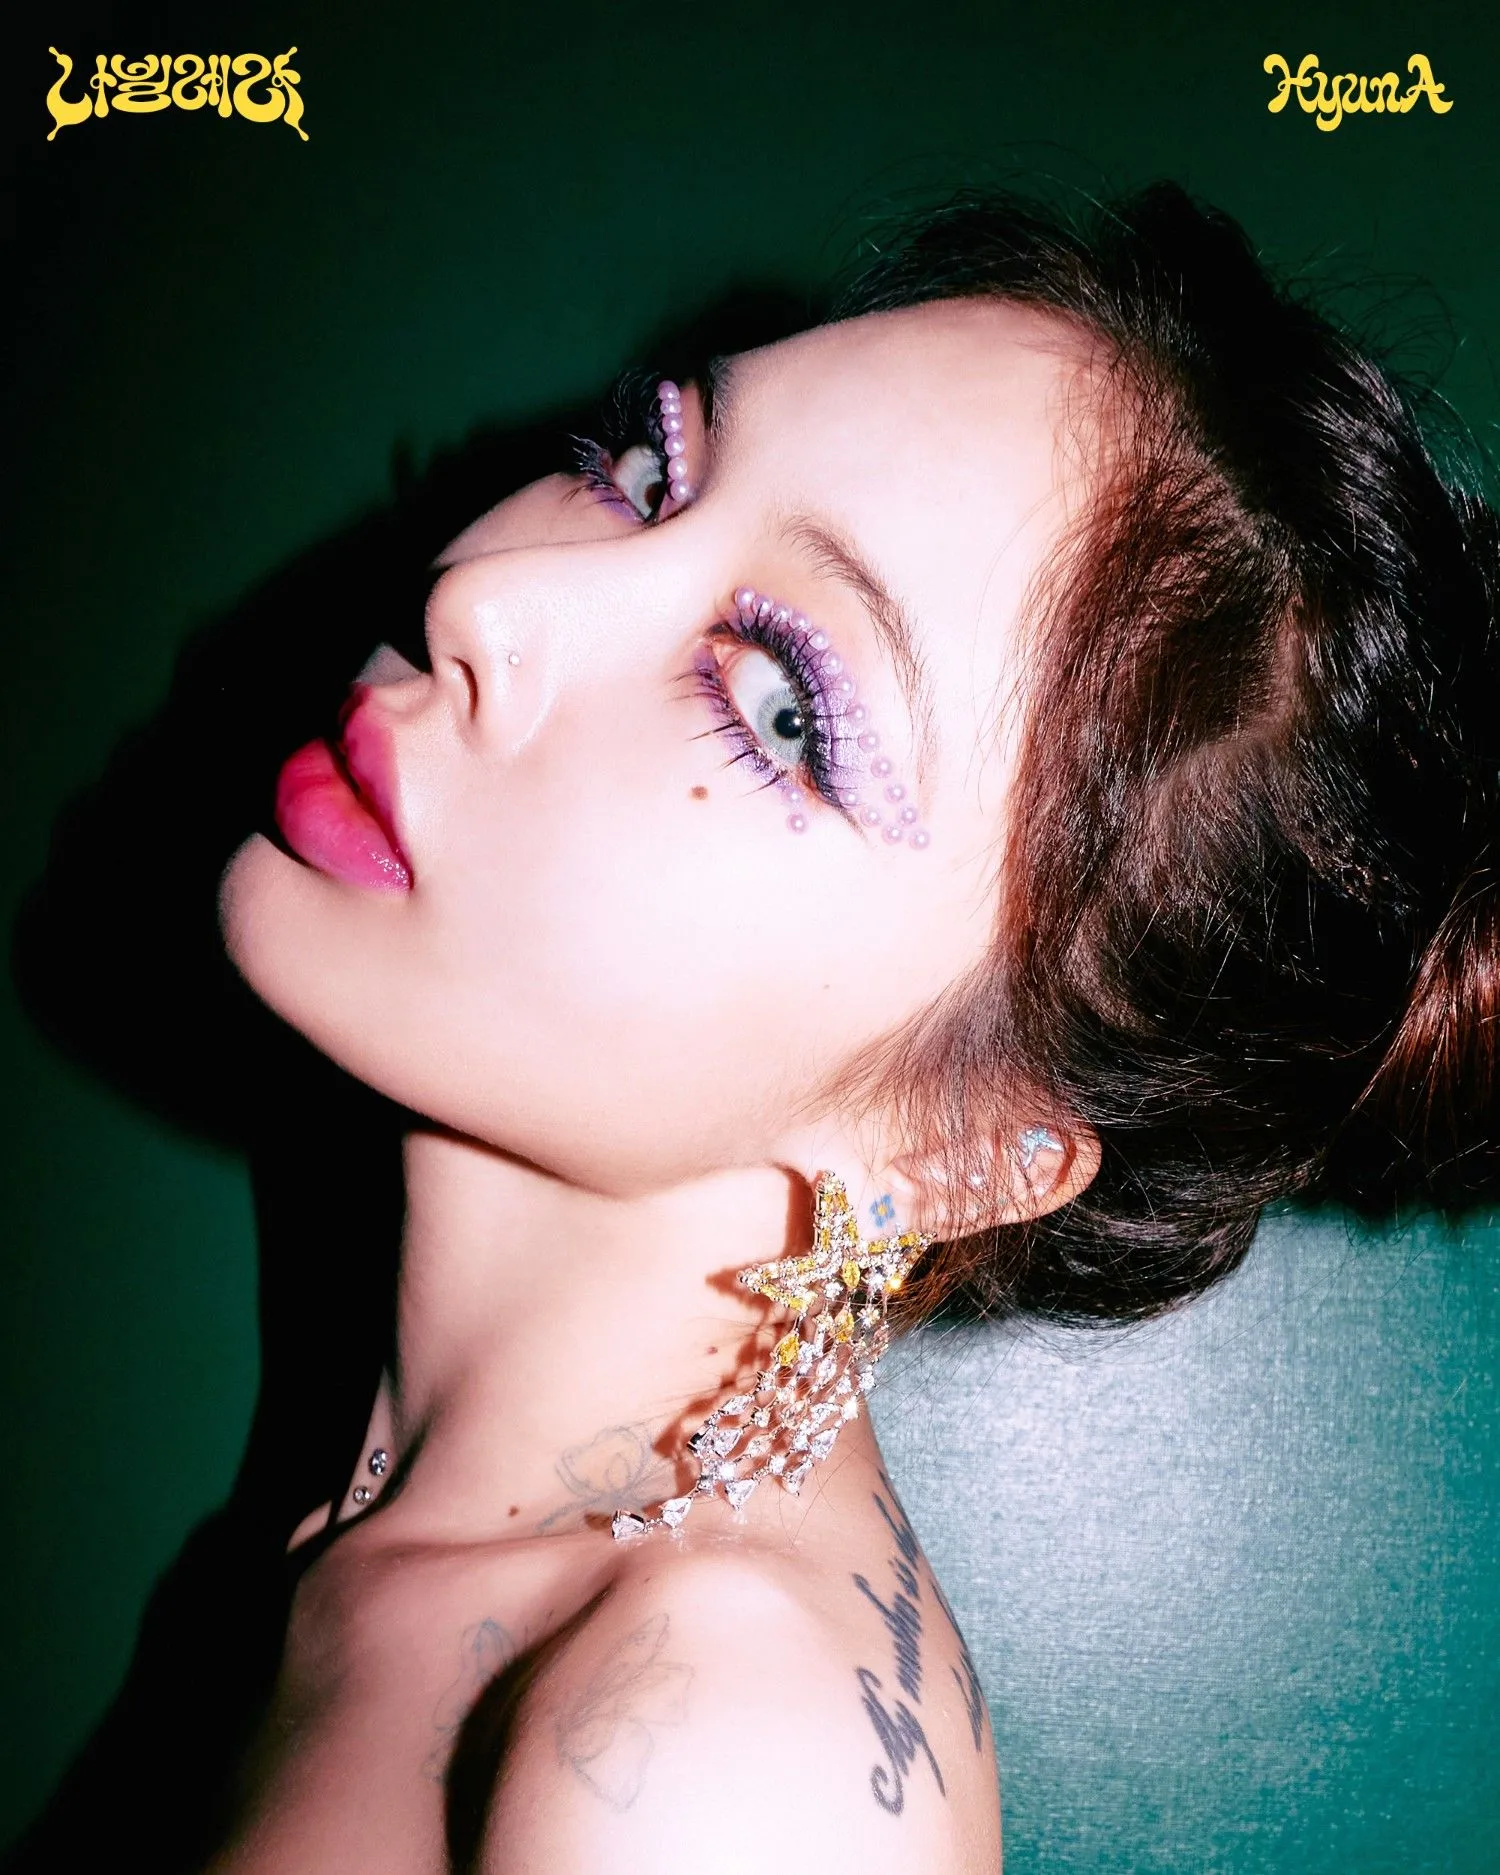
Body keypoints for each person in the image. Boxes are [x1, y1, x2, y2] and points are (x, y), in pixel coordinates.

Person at [203, 184, 1500, 1873]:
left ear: (965, 1147)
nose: (491, 593)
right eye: (648, 469)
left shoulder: (719, 1753)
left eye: (782, 708)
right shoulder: (385, 1519)